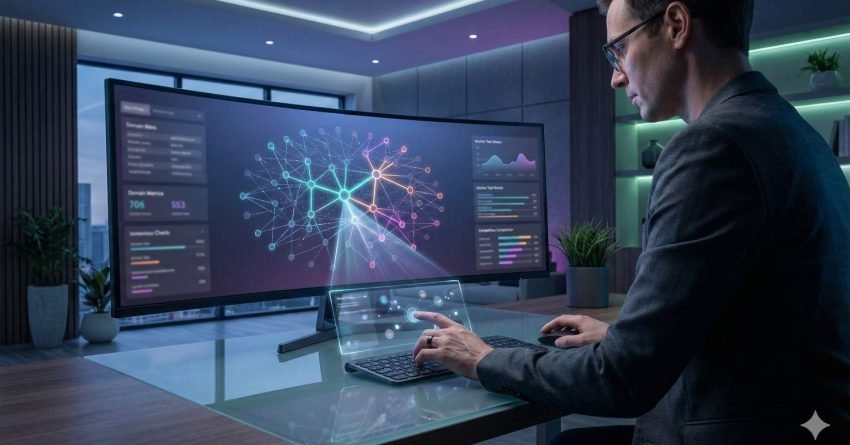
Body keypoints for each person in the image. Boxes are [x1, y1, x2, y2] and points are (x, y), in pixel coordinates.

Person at [411, 1, 850, 444]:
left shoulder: (712, 146)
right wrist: (624, 336)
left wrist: (484, 358)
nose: (616, 76)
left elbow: (622, 380)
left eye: (618, 50)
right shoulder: (795, 133)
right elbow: (759, 318)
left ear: (677, 25)